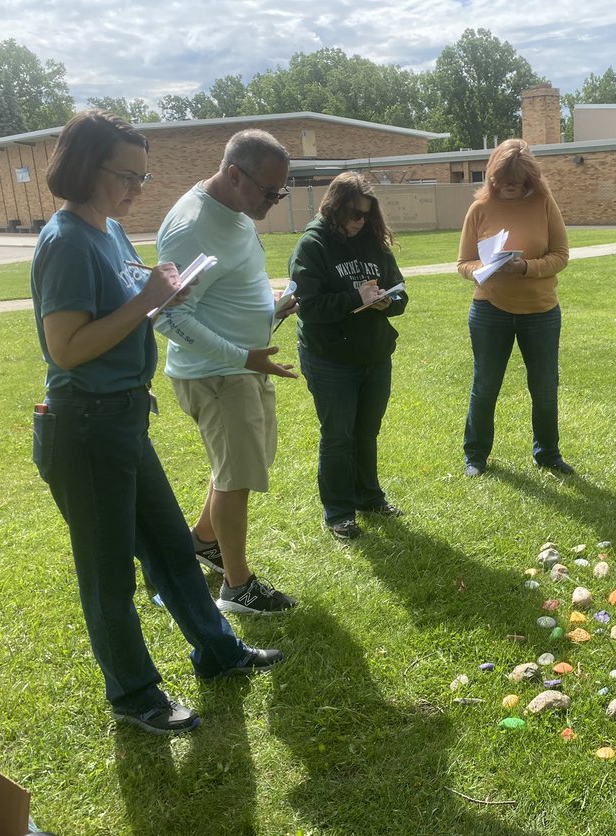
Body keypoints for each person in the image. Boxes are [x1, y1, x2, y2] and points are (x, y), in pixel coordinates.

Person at [30, 110, 283, 736]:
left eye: (143, 179)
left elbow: (131, 307)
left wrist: (160, 294)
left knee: (172, 546)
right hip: (83, 428)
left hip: (122, 420)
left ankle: (219, 652)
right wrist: (147, 301)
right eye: (127, 176)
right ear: (87, 165)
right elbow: (65, 347)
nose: (137, 192)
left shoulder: (110, 231)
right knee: (109, 571)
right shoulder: (65, 241)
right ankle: (135, 694)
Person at [155, 129, 299, 615]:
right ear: (235, 174)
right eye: (268, 191)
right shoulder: (191, 225)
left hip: (242, 366)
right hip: (215, 374)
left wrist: (272, 310)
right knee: (236, 476)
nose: (275, 202)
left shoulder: (235, 211)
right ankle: (237, 587)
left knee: (238, 465)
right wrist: (243, 356)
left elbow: (221, 291)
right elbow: (167, 316)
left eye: (282, 192)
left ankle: (201, 540)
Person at [289, 172, 408, 539]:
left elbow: (400, 292)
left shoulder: (373, 243)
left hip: (374, 354)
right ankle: (339, 512)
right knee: (338, 436)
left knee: (366, 432)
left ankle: (369, 497)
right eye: (354, 213)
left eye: (366, 215)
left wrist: (389, 301)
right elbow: (307, 306)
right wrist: (356, 299)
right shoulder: (313, 245)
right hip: (330, 358)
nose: (360, 221)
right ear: (335, 206)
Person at [456, 138, 572, 477]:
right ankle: (475, 456)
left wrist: (525, 268)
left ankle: (547, 454)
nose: (510, 186)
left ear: (529, 179)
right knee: (486, 384)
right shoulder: (479, 209)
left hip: (541, 311)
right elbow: (463, 262)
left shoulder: (544, 203)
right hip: (490, 310)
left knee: (545, 386)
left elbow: (561, 256)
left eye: (518, 181)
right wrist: (480, 270)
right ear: (492, 174)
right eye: (503, 179)